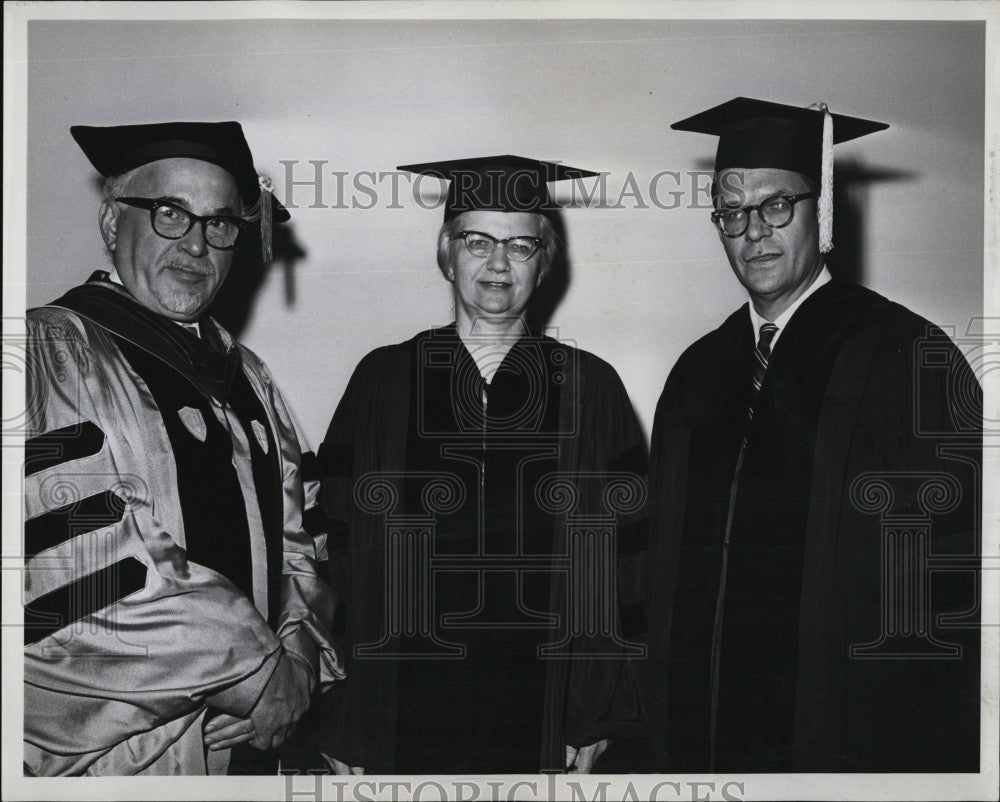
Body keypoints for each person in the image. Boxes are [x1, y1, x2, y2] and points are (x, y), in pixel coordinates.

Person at [645, 97, 982, 773]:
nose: (753, 232)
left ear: (821, 211)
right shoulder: (697, 372)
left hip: (848, 729)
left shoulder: (907, 354)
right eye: (731, 212)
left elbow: (959, 569)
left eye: (778, 206)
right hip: (699, 734)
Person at [23, 121, 343, 776]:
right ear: (114, 222)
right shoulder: (51, 354)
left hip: (255, 746)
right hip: (132, 757)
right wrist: (255, 674)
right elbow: (73, 568)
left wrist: (298, 658)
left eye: (220, 223)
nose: (197, 245)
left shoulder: (248, 376)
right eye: (171, 214)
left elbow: (301, 537)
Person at [311, 156, 648, 774]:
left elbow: (622, 564)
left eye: (520, 245)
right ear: (447, 252)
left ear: (545, 261)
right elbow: (337, 556)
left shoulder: (590, 388)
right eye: (477, 241)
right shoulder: (382, 381)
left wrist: (597, 706)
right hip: (398, 705)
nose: (498, 263)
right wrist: (344, 710)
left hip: (544, 708)